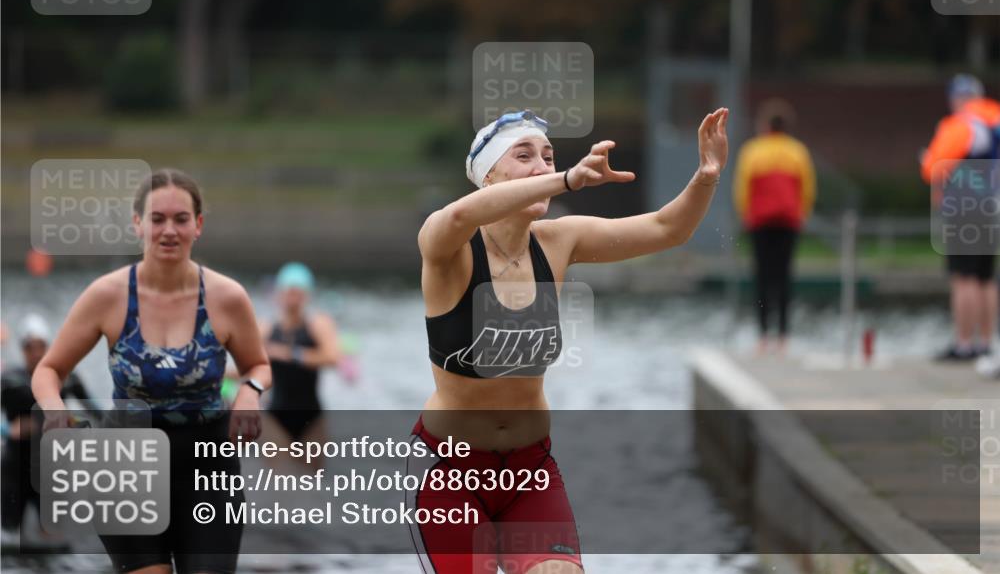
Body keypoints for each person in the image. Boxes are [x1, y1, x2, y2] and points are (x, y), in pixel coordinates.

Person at [409, 107, 729, 573]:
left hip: (530, 470)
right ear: (490, 177)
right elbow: (458, 214)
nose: (543, 166)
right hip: (449, 472)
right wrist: (567, 181)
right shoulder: (448, 247)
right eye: (525, 156)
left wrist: (706, 175)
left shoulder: (559, 241)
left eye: (549, 156)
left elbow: (667, 229)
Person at [31, 168, 271, 574]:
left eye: (181, 219)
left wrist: (250, 390)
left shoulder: (227, 297)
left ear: (198, 225)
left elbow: (259, 365)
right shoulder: (107, 296)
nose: (169, 230)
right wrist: (54, 410)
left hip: (208, 467)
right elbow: (49, 369)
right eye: (157, 219)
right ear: (137, 223)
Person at [921, 74, 1000, 362]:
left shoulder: (961, 125)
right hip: (992, 206)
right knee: (985, 278)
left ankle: (964, 343)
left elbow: (932, 169)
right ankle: (987, 342)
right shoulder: (995, 120)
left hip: (965, 208)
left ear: (958, 98)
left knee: (963, 278)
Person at [732, 99, 816, 356]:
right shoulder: (798, 151)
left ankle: (762, 337)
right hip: (788, 222)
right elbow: (808, 188)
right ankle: (783, 337)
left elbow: (742, 187)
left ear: (766, 125)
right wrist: (802, 214)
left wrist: (745, 214)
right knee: (784, 277)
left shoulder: (753, 151)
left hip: (760, 222)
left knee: (762, 277)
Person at [2, 314, 92, 542]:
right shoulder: (10, 380)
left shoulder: (66, 378)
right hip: (15, 466)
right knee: (10, 534)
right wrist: (6, 429)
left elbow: (94, 412)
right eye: (30, 348)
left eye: (41, 346)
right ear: (22, 350)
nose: (36, 353)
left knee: (52, 534)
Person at [259, 262, 344, 469]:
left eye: (298, 292)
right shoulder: (266, 328)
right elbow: (253, 367)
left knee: (311, 485)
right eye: (288, 291)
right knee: (281, 482)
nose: (292, 297)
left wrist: (291, 354)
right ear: (278, 294)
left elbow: (333, 357)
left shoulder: (318, 324)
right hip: (275, 415)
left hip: (311, 417)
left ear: (307, 295)